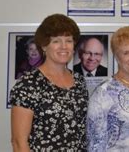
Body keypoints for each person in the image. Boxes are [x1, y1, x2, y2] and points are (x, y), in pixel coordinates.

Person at [10, 14, 88, 151]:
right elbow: (18, 142)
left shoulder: (79, 81)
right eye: (56, 41)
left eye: (69, 41)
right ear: (44, 46)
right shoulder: (28, 84)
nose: (64, 47)